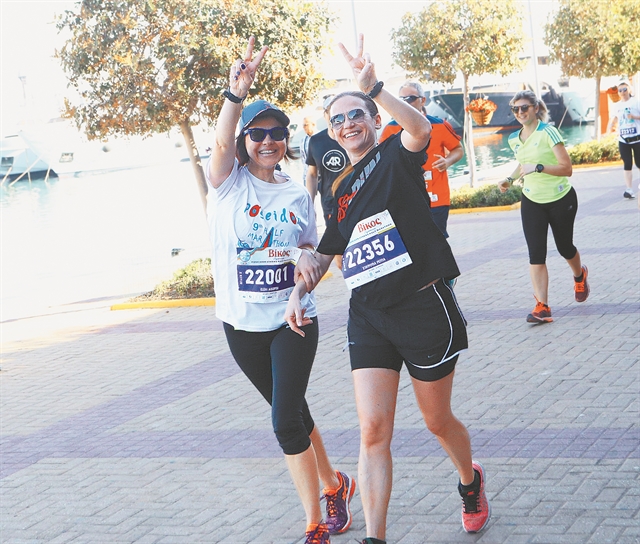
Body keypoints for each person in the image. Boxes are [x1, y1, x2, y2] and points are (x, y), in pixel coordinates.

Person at [287, 35, 490, 544]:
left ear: (375, 120)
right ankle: (375, 537)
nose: (347, 124)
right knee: (373, 431)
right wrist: (298, 287)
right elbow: (328, 250)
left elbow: (421, 129)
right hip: (369, 315)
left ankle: (470, 481)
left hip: (422, 306)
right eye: (337, 120)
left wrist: (373, 85)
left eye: (356, 114)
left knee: (437, 421)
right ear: (331, 133)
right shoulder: (339, 189)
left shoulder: (395, 153)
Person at [206, 36, 355, 544]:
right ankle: (335, 484)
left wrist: (305, 270)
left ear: (286, 139)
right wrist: (236, 93)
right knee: (292, 410)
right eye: (257, 133)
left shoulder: (295, 194)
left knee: (284, 421)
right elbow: (220, 145)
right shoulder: (228, 183)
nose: (267, 141)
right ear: (245, 139)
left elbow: (311, 250)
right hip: (241, 324)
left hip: (294, 320)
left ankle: (315, 525)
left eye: (276, 133)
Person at [498, 89, 590, 324]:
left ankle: (579, 275)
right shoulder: (513, 138)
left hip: (561, 198)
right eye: (515, 109)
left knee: (564, 247)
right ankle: (543, 306)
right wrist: (509, 179)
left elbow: (567, 168)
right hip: (532, 200)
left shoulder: (548, 132)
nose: (520, 112)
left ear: (535, 108)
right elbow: (523, 164)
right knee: (536, 254)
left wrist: (539, 167)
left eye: (524, 107)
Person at [379, 81, 464, 238]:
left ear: (422, 100)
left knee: (437, 243)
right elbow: (381, 161)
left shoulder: (439, 125)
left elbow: (458, 149)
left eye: (411, 98)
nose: (406, 103)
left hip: (436, 199)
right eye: (401, 99)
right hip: (405, 201)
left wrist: (447, 161)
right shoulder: (390, 129)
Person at [306, 95, 349, 226]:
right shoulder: (315, 141)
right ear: (325, 114)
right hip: (329, 204)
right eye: (329, 111)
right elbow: (312, 174)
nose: (333, 115)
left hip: (355, 200)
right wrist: (309, 205)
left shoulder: (351, 136)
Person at [606, 79, 640, 199]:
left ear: (629, 90)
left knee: (639, 163)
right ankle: (629, 189)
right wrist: (609, 129)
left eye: (624, 89)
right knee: (627, 163)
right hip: (624, 139)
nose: (622, 92)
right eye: (620, 90)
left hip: (637, 138)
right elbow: (613, 119)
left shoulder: (636, 102)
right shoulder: (617, 106)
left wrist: (634, 116)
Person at [300, 116, 316, 185]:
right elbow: (303, 159)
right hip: (306, 176)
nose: (304, 127)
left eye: (306, 125)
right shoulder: (303, 140)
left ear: (313, 124)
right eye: (303, 125)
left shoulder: (321, 138)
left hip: (320, 178)